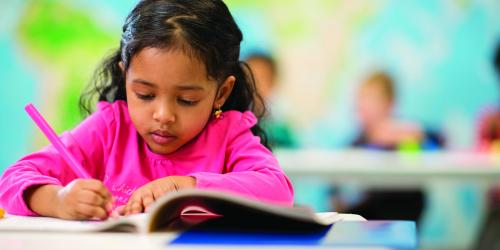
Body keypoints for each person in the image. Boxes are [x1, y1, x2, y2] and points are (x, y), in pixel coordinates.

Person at [0, 0, 293, 221]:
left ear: (221, 93)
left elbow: (278, 192)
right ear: (125, 77)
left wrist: (187, 187)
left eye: (187, 99)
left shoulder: (228, 134)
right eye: (145, 95)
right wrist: (58, 200)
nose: (163, 115)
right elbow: (12, 179)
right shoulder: (111, 128)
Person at [338, 71, 442, 224]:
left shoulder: (408, 134)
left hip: (402, 209)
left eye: (371, 98)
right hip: (364, 213)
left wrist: (413, 136)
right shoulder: (357, 142)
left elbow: (439, 144)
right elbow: (338, 186)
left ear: (389, 103)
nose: (363, 104)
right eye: (361, 97)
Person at [245, 52, 297, 148]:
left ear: (272, 82)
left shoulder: (281, 117)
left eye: (260, 79)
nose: (254, 85)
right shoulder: (238, 113)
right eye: (248, 79)